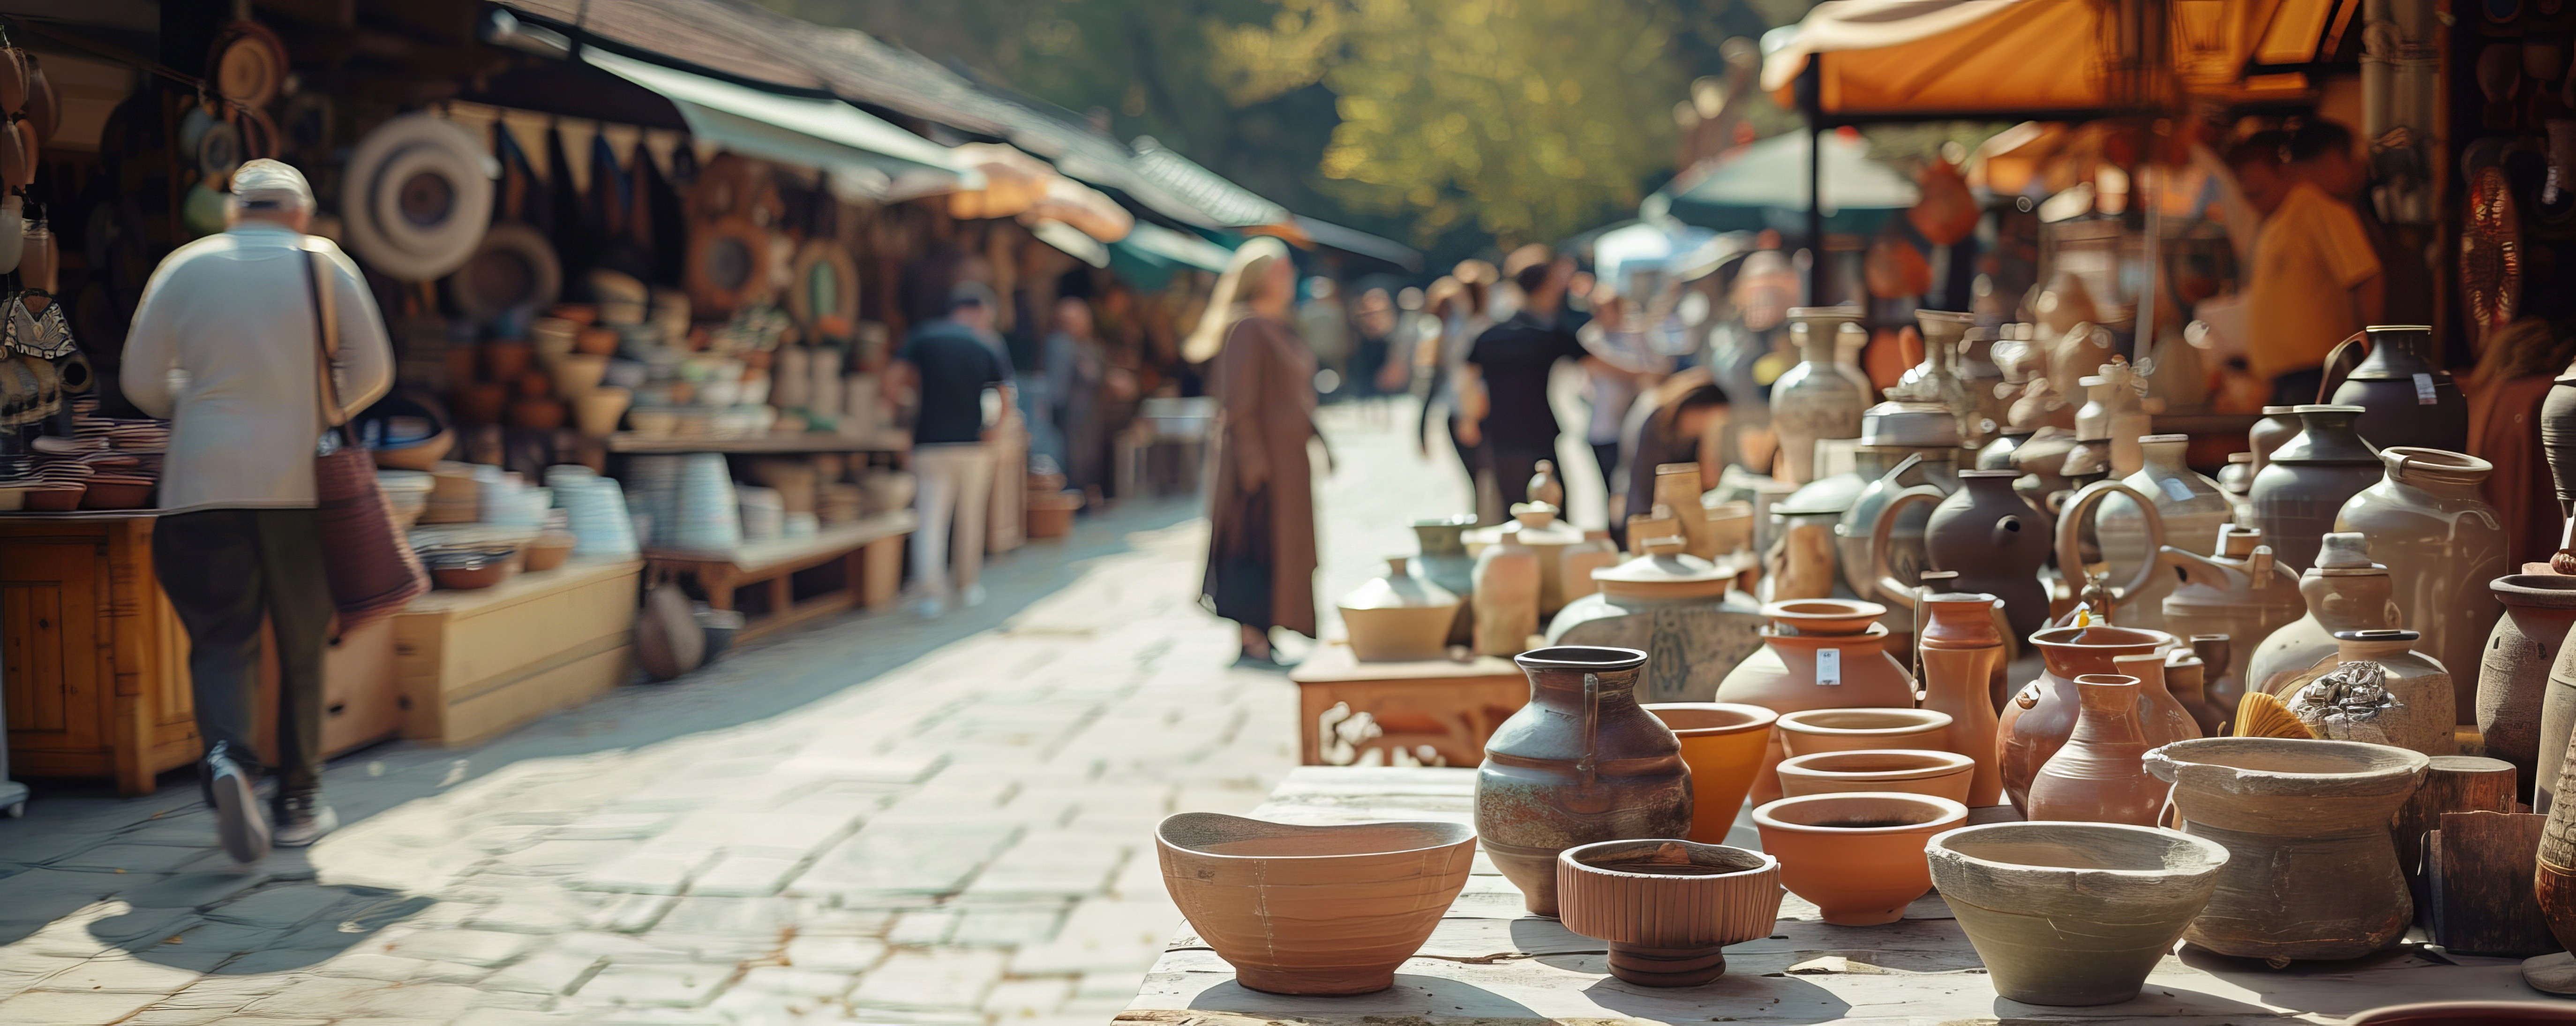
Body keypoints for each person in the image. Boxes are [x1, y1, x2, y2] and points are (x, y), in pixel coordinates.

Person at [120, 159, 394, 861]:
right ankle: (298, 801)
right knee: (302, 643)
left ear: (234, 213)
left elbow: (141, 381)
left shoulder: (184, 267)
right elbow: (373, 371)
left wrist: (203, 410)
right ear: (300, 214)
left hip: (199, 484)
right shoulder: (323, 264)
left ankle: (228, 765)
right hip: (300, 484)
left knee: (220, 640)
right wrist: (319, 410)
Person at [1188, 238, 1324, 668]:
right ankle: (1251, 636)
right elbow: (1238, 405)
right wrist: (1252, 465)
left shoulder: (1281, 326)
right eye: (1280, 270)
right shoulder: (1246, 327)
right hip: (1259, 466)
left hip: (1286, 463)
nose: (1289, 277)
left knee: (1281, 548)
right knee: (1252, 546)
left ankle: (1266, 630)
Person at [2231, 124, 2383, 405]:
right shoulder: (2277, 218)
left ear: (2283, 170)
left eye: (2252, 175)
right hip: (2284, 378)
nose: (2245, 185)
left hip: (2315, 373)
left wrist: (2373, 351)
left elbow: (2365, 277)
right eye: (2239, 179)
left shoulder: (2317, 208)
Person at [886, 282, 1014, 616]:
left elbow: (892, 381)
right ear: (976, 311)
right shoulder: (985, 344)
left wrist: (900, 421)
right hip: (973, 446)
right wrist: (995, 432)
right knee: (970, 518)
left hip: (929, 444)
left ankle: (931, 595)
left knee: (930, 521)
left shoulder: (923, 337)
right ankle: (968, 585)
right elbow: (1005, 395)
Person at [1458, 249, 1592, 510]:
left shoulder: (1489, 335)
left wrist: (1470, 419)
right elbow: (1598, 366)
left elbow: (1469, 383)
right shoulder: (1551, 335)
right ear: (1547, 288)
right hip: (1538, 433)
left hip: (1500, 435)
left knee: (1513, 514)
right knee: (1553, 513)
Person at [1042, 296, 1110, 503]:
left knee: (1085, 459)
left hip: (1087, 414)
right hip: (1069, 413)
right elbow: (1057, 385)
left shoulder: (1089, 347)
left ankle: (1083, 496)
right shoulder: (1059, 344)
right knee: (1071, 458)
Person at [1294, 275, 1350, 398]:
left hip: (1336, 357)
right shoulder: (1304, 312)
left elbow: (1344, 334)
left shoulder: (1339, 312)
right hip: (1313, 358)